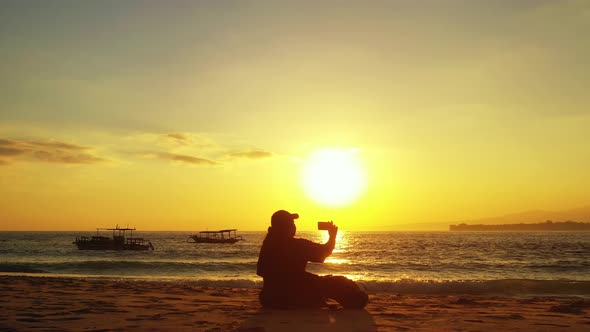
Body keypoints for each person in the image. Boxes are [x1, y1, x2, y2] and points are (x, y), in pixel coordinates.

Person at [256, 209, 368, 309]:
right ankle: (358, 296)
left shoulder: (268, 244)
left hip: (269, 298)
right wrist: (332, 237)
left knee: (321, 284)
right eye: (291, 223)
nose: (294, 226)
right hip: (295, 295)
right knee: (338, 283)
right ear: (285, 227)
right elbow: (323, 253)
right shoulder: (296, 245)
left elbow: (261, 271)